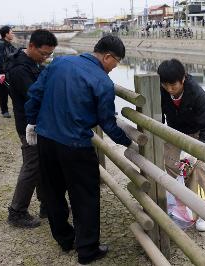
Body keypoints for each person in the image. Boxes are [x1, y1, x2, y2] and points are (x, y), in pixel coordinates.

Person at [24, 35, 132, 264]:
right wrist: (129, 142)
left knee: (53, 192)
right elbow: (107, 122)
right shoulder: (102, 82)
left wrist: (32, 122)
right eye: (117, 62)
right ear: (108, 57)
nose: (115, 67)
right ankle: (88, 249)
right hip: (76, 145)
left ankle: (64, 239)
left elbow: (35, 94)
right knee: (85, 196)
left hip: (46, 139)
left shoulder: (60, 63)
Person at [6, 29, 57, 228]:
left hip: (39, 122)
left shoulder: (31, 62)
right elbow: (35, 96)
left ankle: (46, 204)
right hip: (29, 125)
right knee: (32, 166)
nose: (45, 58)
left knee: (42, 164)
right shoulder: (20, 69)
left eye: (49, 55)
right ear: (31, 46)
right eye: (43, 53)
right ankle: (17, 212)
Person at [157, 59, 205, 232]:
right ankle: (178, 207)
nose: (169, 89)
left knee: (198, 170)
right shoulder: (161, 90)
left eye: (173, 85)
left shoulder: (198, 94)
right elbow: (158, 118)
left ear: (183, 78)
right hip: (173, 134)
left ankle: (201, 212)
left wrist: (195, 153)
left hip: (196, 136)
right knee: (168, 164)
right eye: (165, 85)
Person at [0, 25, 16, 118]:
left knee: (13, 91)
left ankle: (15, 108)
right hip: (2, 73)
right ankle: (4, 111)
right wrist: (1, 74)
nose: (13, 34)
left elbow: (15, 53)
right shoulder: (0, 45)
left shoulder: (9, 44)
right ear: (6, 34)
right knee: (3, 92)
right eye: (11, 32)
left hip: (9, 72)